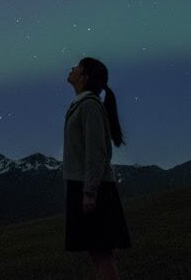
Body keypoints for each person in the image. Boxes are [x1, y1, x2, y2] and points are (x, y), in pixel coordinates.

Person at [63, 57, 131, 279]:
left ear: (84, 77)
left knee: (101, 252)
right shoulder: (84, 104)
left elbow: (96, 152)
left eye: (78, 67)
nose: (72, 69)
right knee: (96, 251)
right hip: (85, 184)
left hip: (93, 187)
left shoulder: (90, 106)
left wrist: (90, 192)